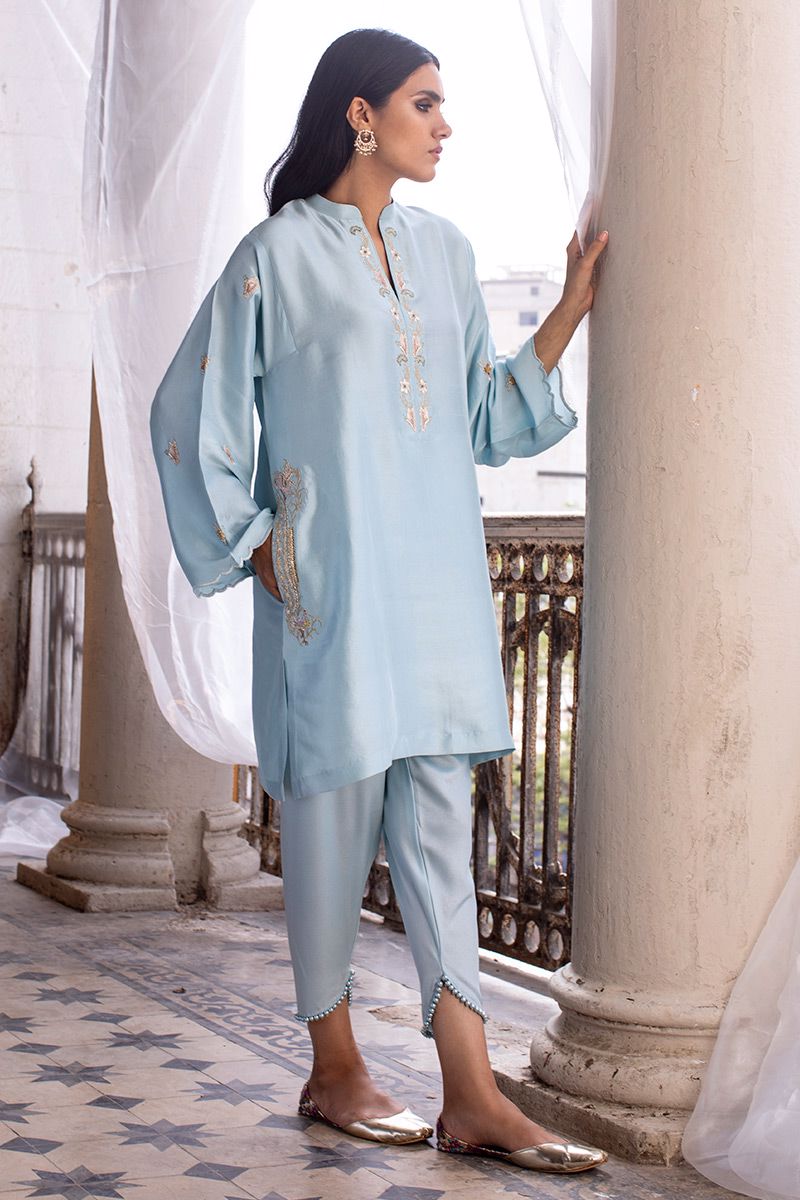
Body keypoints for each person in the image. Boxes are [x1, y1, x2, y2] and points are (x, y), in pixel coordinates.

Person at [151, 26, 609, 1174]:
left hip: (436, 588)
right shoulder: (275, 256)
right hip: (333, 596)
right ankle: (334, 1067)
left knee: (440, 834)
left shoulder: (444, 254)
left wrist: (565, 311)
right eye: (423, 102)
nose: (445, 125)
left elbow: (484, 418)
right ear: (360, 114)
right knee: (330, 819)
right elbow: (188, 413)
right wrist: (259, 547)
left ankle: (471, 1094)